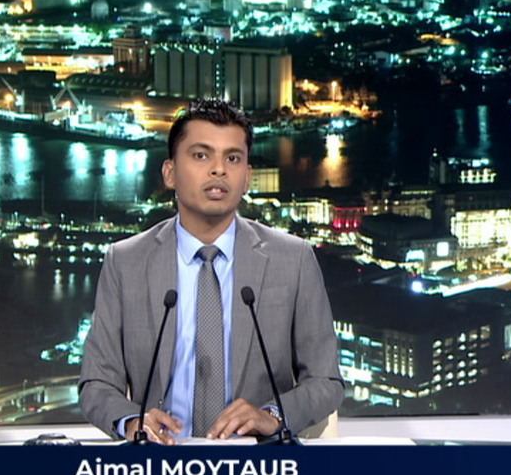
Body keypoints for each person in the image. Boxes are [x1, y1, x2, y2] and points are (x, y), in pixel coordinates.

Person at [78, 98, 344, 444]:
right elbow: (96, 383)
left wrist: (272, 416)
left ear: (247, 177)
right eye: (201, 155)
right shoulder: (126, 262)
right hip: (160, 462)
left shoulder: (293, 259)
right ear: (170, 173)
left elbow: (326, 381)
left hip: (258, 464)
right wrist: (132, 421)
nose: (218, 170)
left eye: (232, 158)